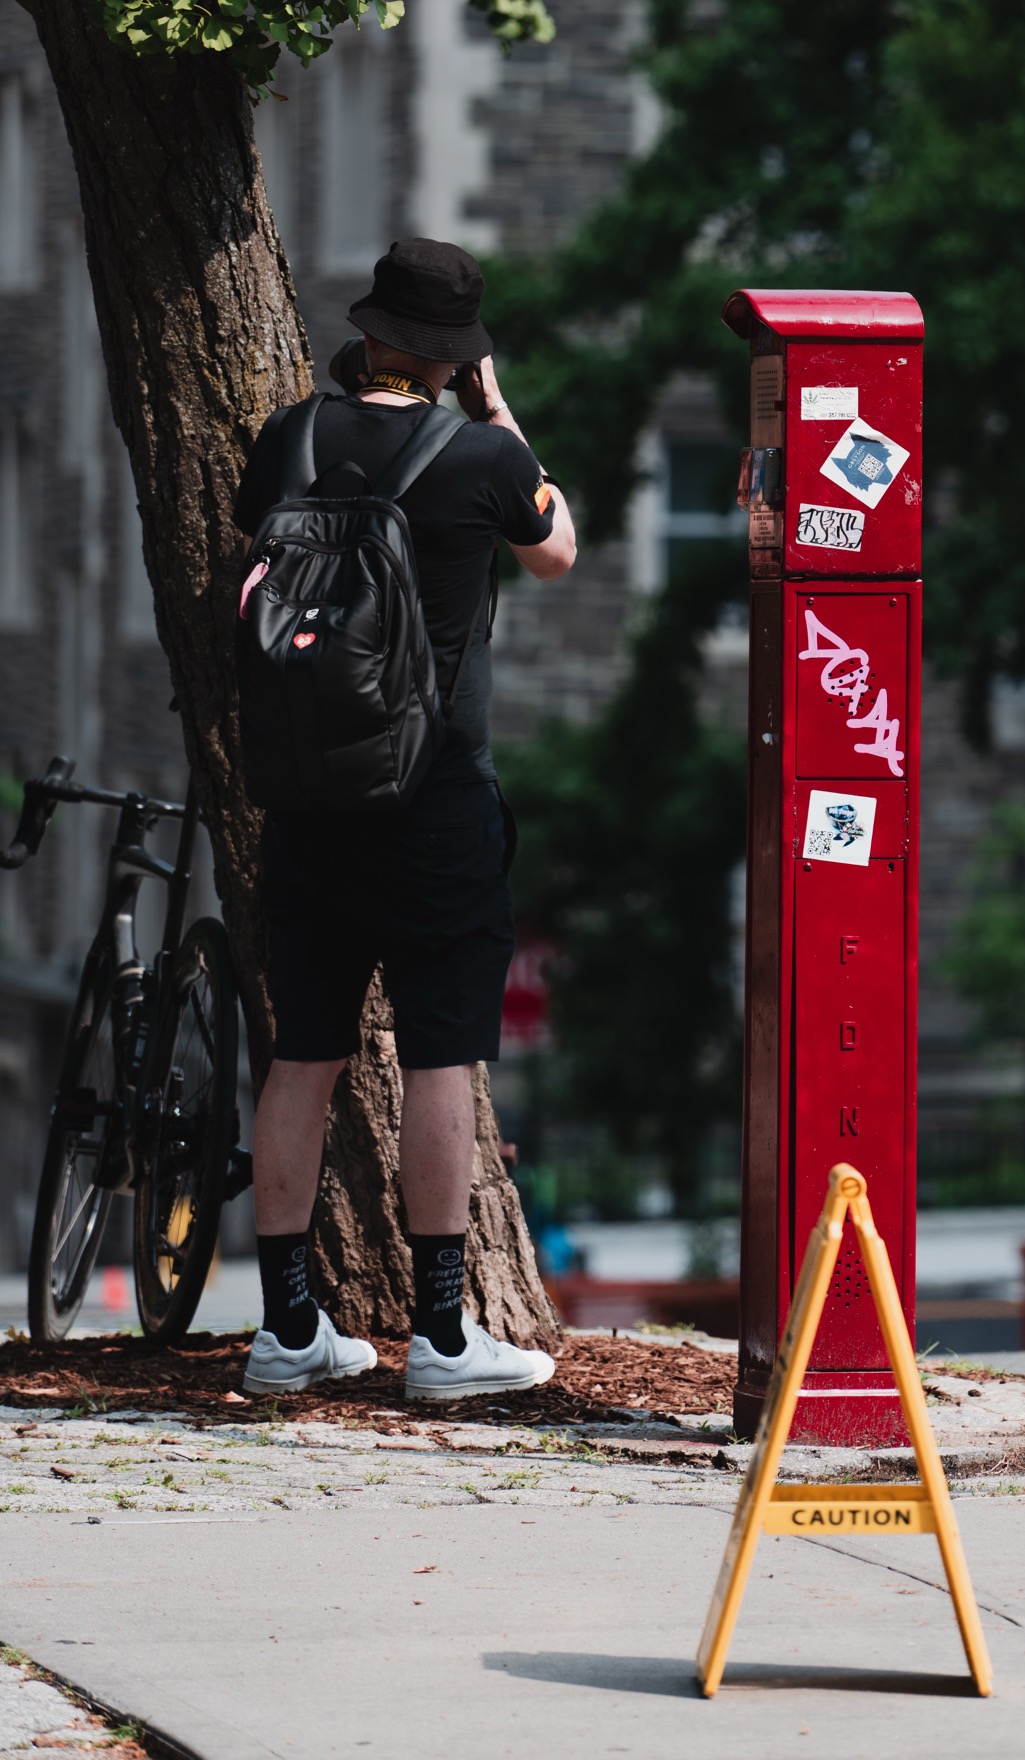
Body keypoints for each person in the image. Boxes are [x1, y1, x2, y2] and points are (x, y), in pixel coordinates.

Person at [232, 239, 577, 1400]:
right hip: (435, 798)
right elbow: (557, 555)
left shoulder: (292, 438)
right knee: (439, 1055)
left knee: (303, 1052)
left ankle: (285, 1329)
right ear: (455, 357)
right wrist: (502, 415)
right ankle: (441, 1337)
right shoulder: (482, 455)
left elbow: (251, 548)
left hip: (309, 796)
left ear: (370, 335)